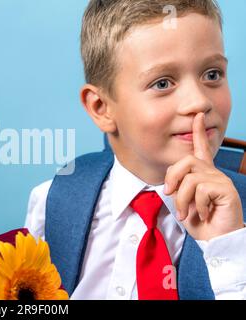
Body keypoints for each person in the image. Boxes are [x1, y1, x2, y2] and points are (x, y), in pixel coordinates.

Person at [24, 0, 246, 300]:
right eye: (163, 83)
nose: (198, 102)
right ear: (101, 108)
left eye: (212, 74)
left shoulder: (239, 224)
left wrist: (228, 244)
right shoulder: (55, 201)